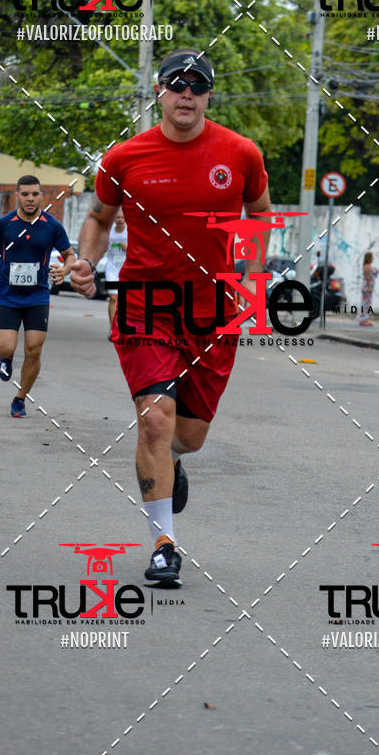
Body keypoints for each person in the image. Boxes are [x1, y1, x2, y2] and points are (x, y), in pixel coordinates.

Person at [71, 47, 271, 587]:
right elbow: (98, 217)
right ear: (159, 91)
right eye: (176, 84)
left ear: (209, 94)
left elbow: (260, 215)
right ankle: (164, 545)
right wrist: (86, 261)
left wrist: (253, 282)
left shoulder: (241, 153)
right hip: (144, 305)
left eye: (197, 85)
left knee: (190, 435)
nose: (187, 93)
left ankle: (174, 464)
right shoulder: (124, 158)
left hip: (213, 313)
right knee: (155, 419)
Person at [0, 175, 76, 417]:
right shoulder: (4, 223)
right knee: (4, 346)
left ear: (41, 196)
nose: (30, 199)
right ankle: (7, 357)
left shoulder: (52, 226)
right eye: (25, 194)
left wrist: (65, 268)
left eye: (34, 194)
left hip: (38, 295)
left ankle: (20, 398)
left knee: (34, 349)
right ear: (17, 196)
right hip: (7, 293)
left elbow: (70, 254)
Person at [105, 210, 128, 335]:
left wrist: (127, 249)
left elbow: (137, 250)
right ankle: (113, 329)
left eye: (122, 217)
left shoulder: (129, 232)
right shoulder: (110, 232)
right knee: (113, 297)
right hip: (112, 268)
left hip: (126, 268)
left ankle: (122, 327)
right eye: (117, 217)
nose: (119, 219)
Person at [358, 251, 378, 326]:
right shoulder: (367, 266)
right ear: (369, 258)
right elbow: (367, 277)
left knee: (367, 304)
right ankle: (363, 319)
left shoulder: (368, 266)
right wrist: (369, 287)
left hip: (368, 287)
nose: (373, 259)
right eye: (372, 257)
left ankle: (365, 318)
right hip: (367, 288)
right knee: (365, 304)